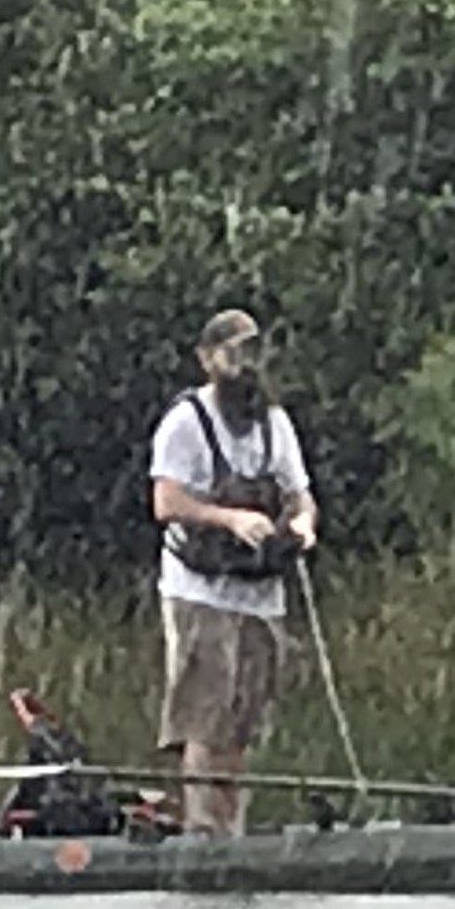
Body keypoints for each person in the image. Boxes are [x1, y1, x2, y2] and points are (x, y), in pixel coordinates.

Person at [146, 307, 318, 836]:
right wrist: (229, 519)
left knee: (242, 723)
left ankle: (233, 833)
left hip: (261, 597)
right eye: (232, 353)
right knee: (205, 720)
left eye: (251, 353)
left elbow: (298, 493)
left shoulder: (276, 422)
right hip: (199, 593)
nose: (244, 365)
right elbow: (166, 502)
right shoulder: (186, 422)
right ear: (207, 359)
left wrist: (304, 524)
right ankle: (203, 834)